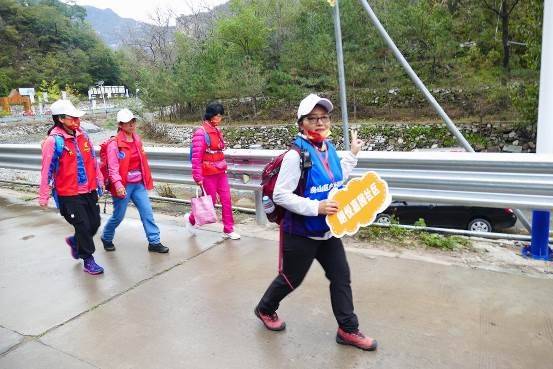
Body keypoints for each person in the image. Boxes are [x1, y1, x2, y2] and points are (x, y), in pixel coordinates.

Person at [254, 94, 377, 351]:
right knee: (291, 279)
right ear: (301, 123)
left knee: (341, 277)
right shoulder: (295, 156)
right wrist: (316, 207)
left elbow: (335, 178)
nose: (320, 123)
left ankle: (348, 329)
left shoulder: (329, 148)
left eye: (324, 118)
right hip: (300, 233)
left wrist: (352, 155)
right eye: (313, 119)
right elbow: (280, 195)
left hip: (328, 231)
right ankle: (265, 309)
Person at [38, 99, 105, 275]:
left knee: (94, 224)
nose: (77, 121)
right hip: (69, 194)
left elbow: (93, 161)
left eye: (78, 118)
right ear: (60, 119)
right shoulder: (54, 142)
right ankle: (87, 259)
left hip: (89, 190)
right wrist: (43, 195)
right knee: (82, 225)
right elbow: (46, 169)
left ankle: (76, 242)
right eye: (72, 118)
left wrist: (99, 180)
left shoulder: (83, 135)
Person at [100, 109, 169, 253]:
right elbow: (113, 168)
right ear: (120, 124)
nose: (131, 125)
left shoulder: (137, 139)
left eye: (133, 121)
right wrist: (118, 185)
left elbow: (142, 163)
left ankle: (154, 242)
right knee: (118, 216)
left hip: (138, 184)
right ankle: (106, 237)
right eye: (127, 123)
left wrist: (146, 180)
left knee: (147, 212)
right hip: (123, 186)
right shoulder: (114, 144)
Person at [184, 102, 240, 240]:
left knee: (227, 200)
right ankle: (191, 219)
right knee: (210, 202)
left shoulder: (217, 130)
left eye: (220, 115)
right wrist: (197, 177)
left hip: (220, 171)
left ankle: (228, 229)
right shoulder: (201, 132)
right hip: (208, 173)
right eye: (217, 115)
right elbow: (196, 157)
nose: (219, 118)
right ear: (210, 116)